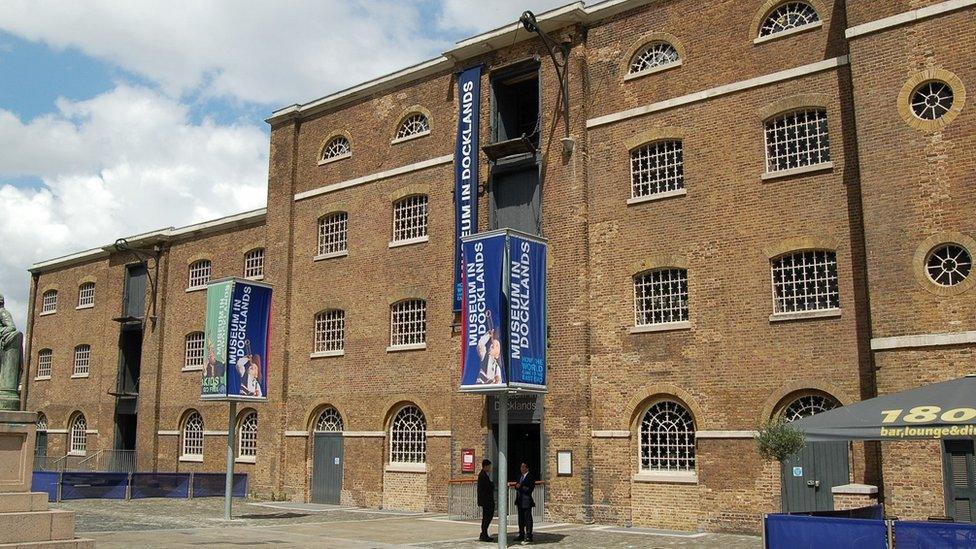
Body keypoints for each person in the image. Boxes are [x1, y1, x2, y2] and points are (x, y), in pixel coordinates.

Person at [514, 462, 535, 543]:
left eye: (523, 467)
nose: (521, 469)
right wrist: (517, 486)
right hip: (519, 500)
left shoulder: (530, 477)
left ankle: (529, 534)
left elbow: (529, 489)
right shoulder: (519, 476)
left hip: (526, 500)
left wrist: (521, 486)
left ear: (527, 468)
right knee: (521, 518)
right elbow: (516, 485)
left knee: (528, 518)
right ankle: (521, 534)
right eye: (521, 467)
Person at [477, 459, 494, 542]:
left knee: (487, 517)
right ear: (485, 466)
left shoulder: (485, 475)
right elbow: (488, 487)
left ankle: (484, 533)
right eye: (489, 466)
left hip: (486, 500)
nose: (490, 468)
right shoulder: (483, 475)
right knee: (487, 517)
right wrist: (492, 484)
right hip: (486, 501)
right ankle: (484, 534)